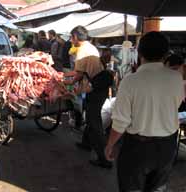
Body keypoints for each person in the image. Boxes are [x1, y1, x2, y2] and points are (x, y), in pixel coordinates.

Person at [105, 32, 184, 191]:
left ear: (139, 53)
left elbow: (121, 122)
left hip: (138, 149)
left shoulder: (130, 81)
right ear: (166, 54)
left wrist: (109, 145)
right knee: (157, 188)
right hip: (167, 147)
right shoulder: (177, 78)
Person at [65, 26, 112, 168]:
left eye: (71, 37)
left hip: (95, 89)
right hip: (99, 87)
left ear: (75, 37)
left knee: (94, 121)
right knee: (91, 116)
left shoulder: (82, 52)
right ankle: (86, 143)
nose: (70, 40)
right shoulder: (91, 47)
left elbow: (78, 74)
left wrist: (66, 83)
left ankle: (104, 158)